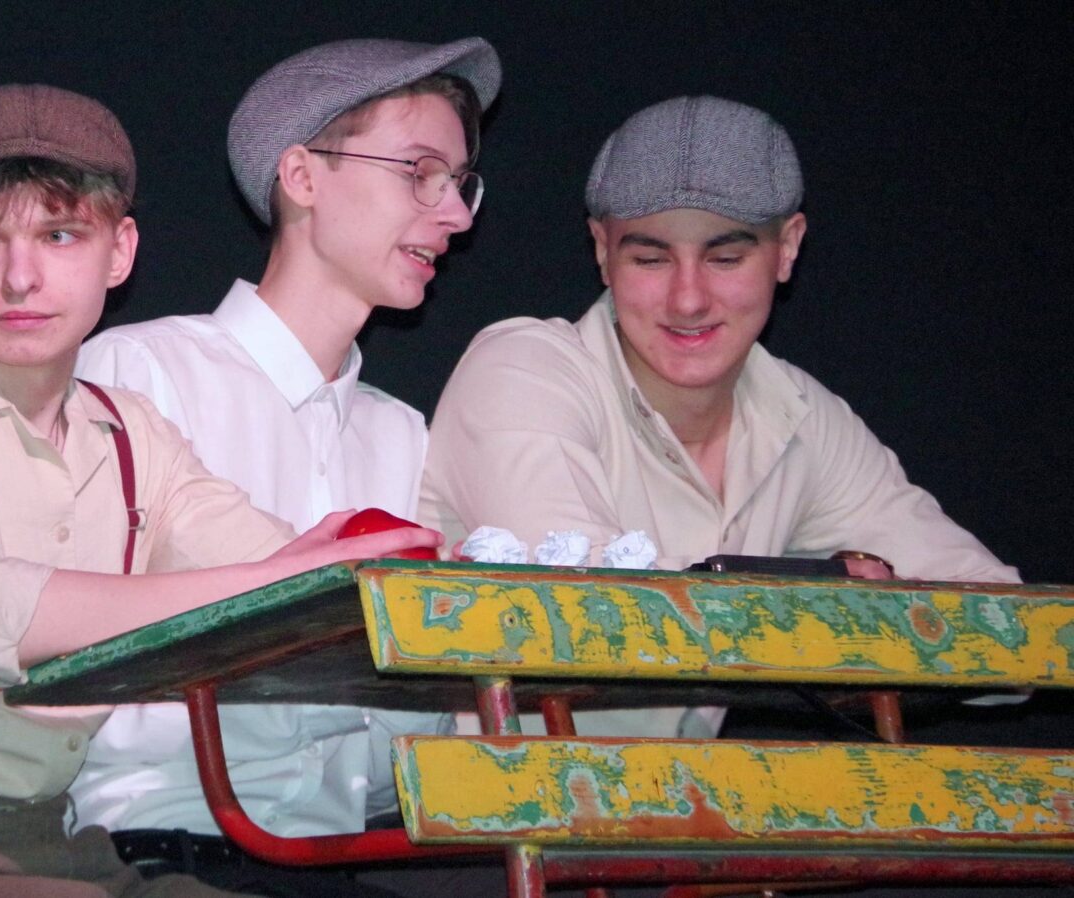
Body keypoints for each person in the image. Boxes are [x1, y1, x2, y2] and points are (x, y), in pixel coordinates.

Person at [0, 82, 438, 898]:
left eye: (59, 235)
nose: (19, 278)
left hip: (58, 847)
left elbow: (269, 568)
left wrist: (374, 571)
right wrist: (279, 578)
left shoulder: (129, 433)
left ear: (120, 253)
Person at [420, 94, 1020, 738]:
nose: (688, 299)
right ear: (601, 250)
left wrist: (827, 604)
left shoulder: (804, 414)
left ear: (788, 248)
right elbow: (590, 616)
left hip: (671, 799)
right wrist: (834, 603)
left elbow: (1015, 636)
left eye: (725, 258)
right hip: (471, 799)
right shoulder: (524, 368)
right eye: (650, 259)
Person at [70, 38, 501, 894]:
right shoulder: (139, 374)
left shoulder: (401, 435)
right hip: (154, 857)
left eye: (459, 183)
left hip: (334, 863)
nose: (454, 212)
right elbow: (77, 662)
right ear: (301, 176)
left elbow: (395, 747)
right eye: (420, 172)